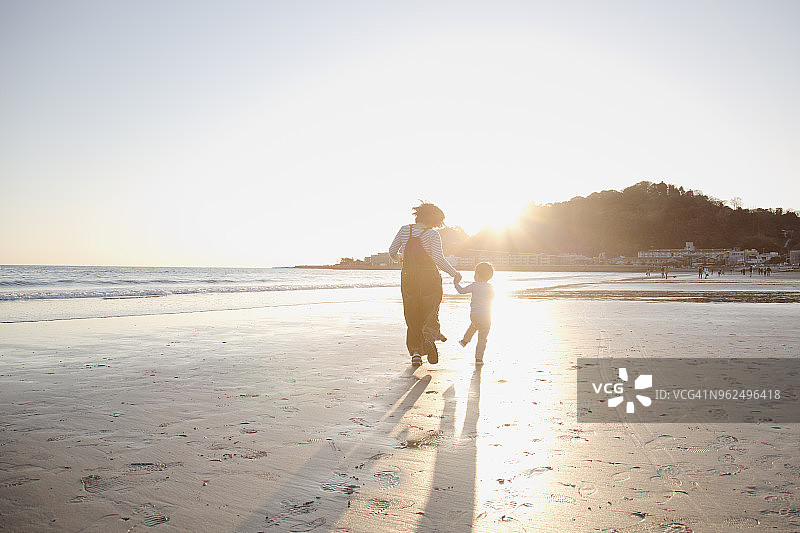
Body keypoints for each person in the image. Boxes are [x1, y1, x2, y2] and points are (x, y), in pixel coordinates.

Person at [389, 203, 461, 367]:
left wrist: (400, 258)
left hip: (408, 277)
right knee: (431, 310)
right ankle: (429, 338)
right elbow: (438, 259)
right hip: (429, 277)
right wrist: (454, 273)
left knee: (412, 313)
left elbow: (392, 251)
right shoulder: (432, 234)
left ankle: (415, 353)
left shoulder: (404, 230)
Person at [454, 262, 495, 365]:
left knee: (474, 325)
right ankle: (479, 359)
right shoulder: (491, 287)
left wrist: (456, 283)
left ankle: (465, 341)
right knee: (482, 339)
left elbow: (462, 291)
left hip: (475, 315)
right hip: (487, 316)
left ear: (477, 275)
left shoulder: (474, 285)